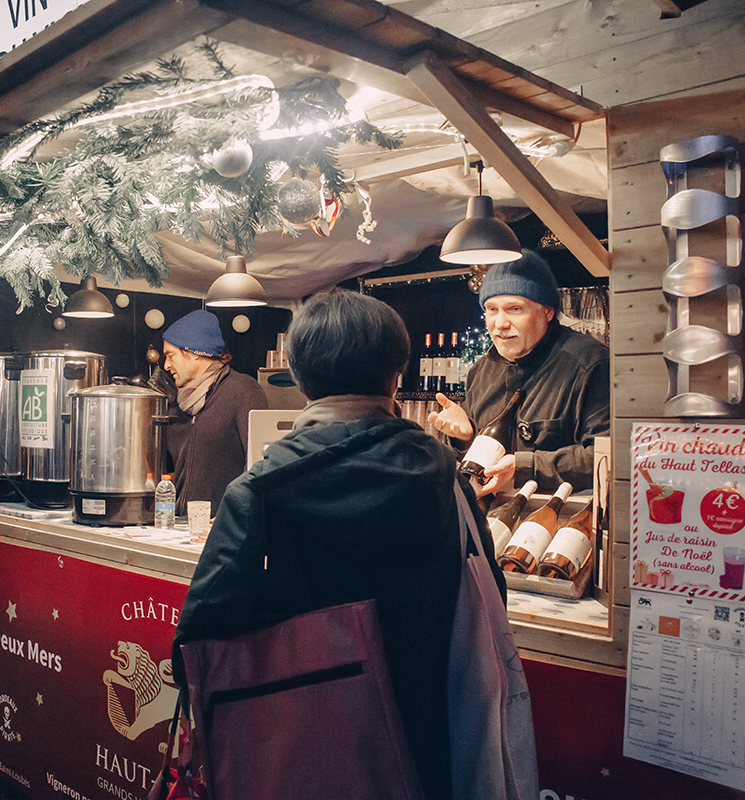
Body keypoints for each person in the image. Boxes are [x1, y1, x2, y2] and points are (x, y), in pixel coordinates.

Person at [172, 288, 505, 800]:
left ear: (300, 378)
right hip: (420, 743)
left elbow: (197, 636)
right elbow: (490, 599)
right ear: (396, 374)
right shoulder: (444, 477)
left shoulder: (259, 488)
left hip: (296, 750)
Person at [430, 250, 610, 499]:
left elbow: (604, 455)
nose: (500, 323)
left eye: (514, 309)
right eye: (492, 309)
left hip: (562, 522)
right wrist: (465, 438)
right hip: (489, 517)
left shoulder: (589, 363)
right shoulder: (481, 371)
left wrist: (525, 467)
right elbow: (475, 464)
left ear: (547, 312)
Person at [161, 309, 267, 517]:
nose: (166, 365)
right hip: (178, 529)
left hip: (221, 528)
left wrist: (232, 516)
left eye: (170, 356)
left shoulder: (243, 391)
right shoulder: (178, 403)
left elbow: (259, 465)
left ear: (194, 354)